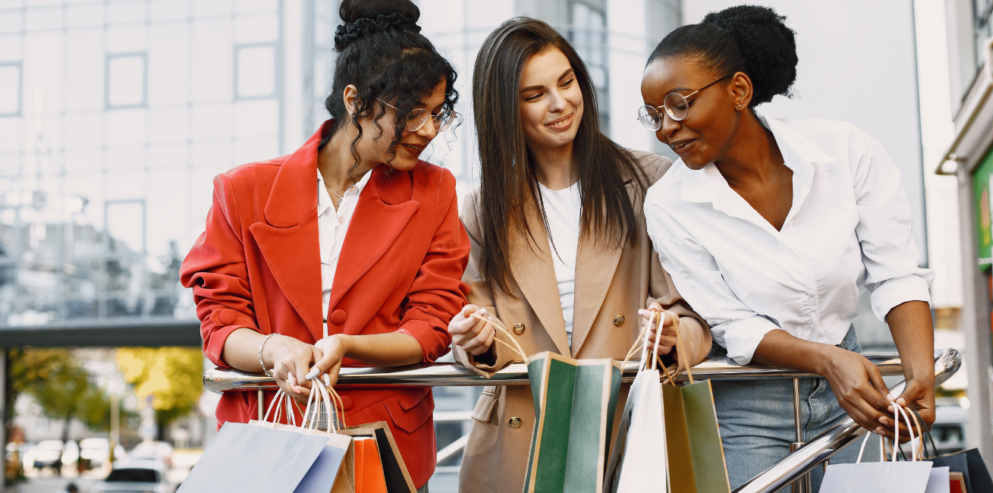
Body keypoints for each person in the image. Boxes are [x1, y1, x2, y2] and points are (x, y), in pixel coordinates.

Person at [640, 5, 935, 490]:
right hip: (747, 401)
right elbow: (731, 323)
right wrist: (826, 359)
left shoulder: (845, 152)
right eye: (655, 115)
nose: (666, 128)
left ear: (738, 90)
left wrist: (919, 373)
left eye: (678, 103)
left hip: (859, 389)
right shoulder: (670, 205)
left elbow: (896, 271)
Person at [179, 1, 469, 490]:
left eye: (437, 113)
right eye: (412, 112)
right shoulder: (241, 191)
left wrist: (348, 346)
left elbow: (433, 323)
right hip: (269, 448)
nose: (429, 130)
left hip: (385, 448)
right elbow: (220, 323)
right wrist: (273, 348)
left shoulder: (435, 190)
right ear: (354, 100)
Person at [446, 18, 712, 493]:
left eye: (566, 82)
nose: (559, 103)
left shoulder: (649, 180)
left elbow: (694, 312)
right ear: (505, 110)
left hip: (628, 429)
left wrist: (674, 335)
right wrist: (474, 338)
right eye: (534, 95)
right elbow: (472, 327)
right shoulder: (483, 208)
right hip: (522, 435)